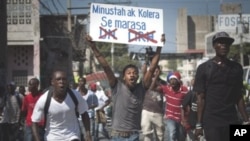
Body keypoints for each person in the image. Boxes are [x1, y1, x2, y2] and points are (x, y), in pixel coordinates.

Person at [85, 34, 165, 141]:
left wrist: (159, 46)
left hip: (134, 136)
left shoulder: (141, 88)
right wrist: (93, 47)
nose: (132, 75)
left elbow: (152, 68)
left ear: (137, 76)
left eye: (135, 73)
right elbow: (106, 67)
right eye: (129, 73)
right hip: (117, 136)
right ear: (124, 76)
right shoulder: (116, 86)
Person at [193, 31, 250, 141]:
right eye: (220, 42)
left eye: (227, 43)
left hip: (233, 119)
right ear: (214, 46)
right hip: (212, 122)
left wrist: (246, 120)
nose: (224, 45)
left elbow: (239, 96)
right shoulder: (204, 68)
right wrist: (199, 125)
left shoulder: (237, 68)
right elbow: (200, 98)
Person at [31, 70, 92, 141]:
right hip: (53, 137)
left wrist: (88, 133)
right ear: (52, 82)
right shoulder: (44, 100)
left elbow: (84, 113)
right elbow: (34, 122)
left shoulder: (75, 96)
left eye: (64, 79)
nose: (61, 81)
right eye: (58, 79)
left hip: (72, 136)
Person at [141, 65, 166, 141]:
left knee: (160, 135)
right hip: (146, 110)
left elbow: (160, 89)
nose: (155, 72)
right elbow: (151, 87)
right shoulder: (146, 80)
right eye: (154, 70)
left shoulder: (163, 82)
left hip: (158, 112)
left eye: (157, 70)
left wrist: (156, 78)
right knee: (147, 134)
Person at [161, 72, 188, 141]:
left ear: (178, 81)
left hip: (180, 118)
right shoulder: (167, 89)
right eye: (171, 79)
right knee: (172, 133)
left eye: (174, 79)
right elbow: (153, 87)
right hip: (170, 117)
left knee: (181, 137)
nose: (172, 81)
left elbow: (188, 103)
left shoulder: (184, 90)